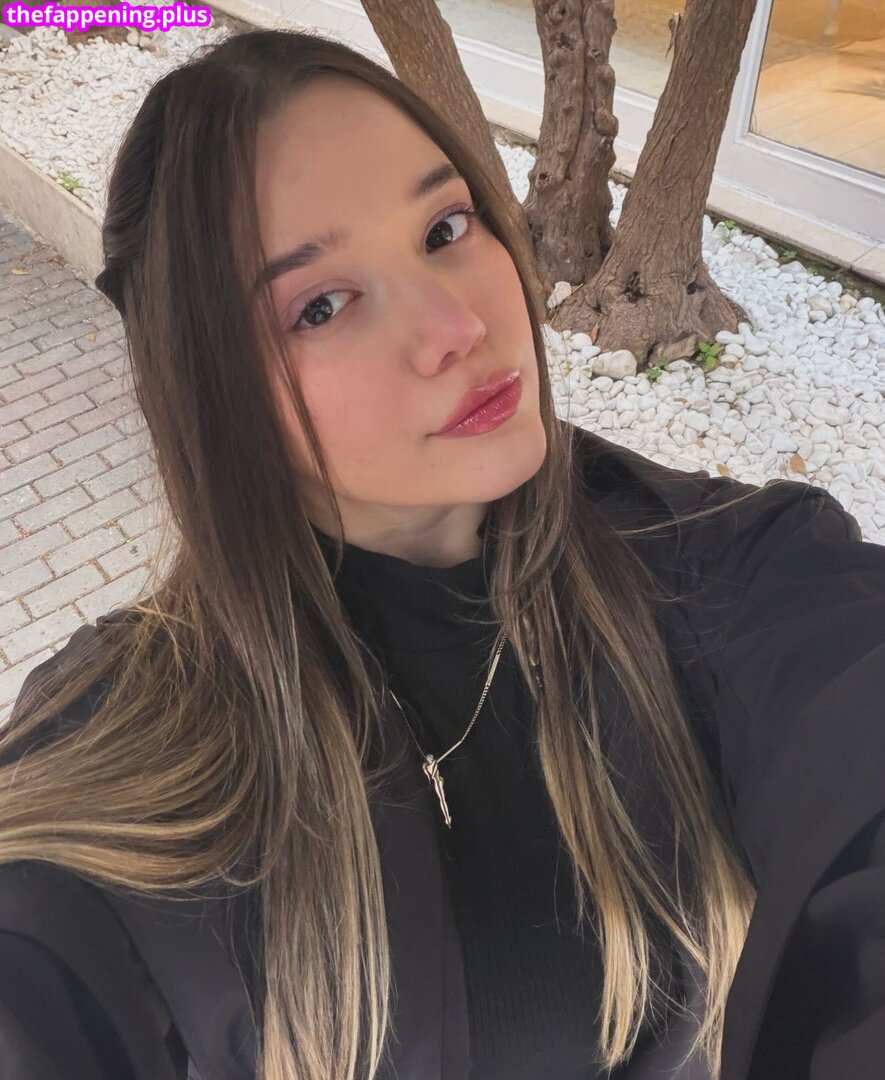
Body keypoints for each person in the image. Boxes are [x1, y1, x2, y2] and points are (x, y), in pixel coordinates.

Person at [0, 26, 883, 1080]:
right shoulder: (116, 762)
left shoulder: (723, 569)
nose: (456, 324)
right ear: (211, 390)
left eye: (445, 227)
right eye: (320, 305)